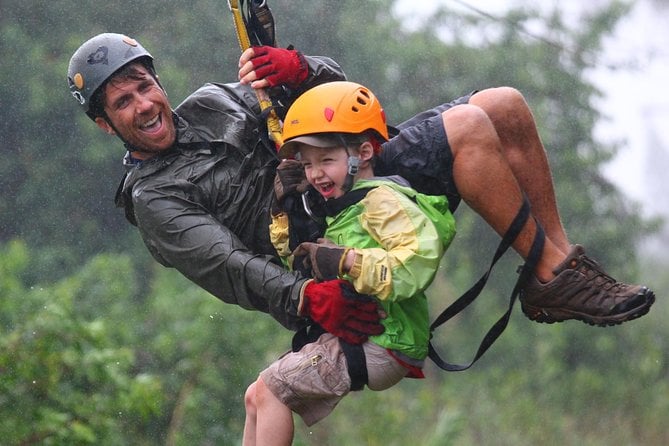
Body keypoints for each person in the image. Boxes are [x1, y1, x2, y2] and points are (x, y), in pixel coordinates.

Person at [67, 33, 654, 352]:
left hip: (346, 179)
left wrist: (299, 70)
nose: (144, 105)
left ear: (157, 81)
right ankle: (554, 275)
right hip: (317, 239)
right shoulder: (153, 198)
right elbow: (230, 266)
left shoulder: (212, 101)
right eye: (123, 102)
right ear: (104, 123)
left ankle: (556, 270)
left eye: (144, 86)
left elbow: (344, 100)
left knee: (503, 105)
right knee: (472, 127)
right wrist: (305, 301)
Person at [242, 81, 457, 445]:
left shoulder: (382, 202)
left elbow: (416, 263)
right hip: (366, 336)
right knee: (254, 396)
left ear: (365, 153)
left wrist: (348, 262)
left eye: (326, 160)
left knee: (270, 392)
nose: (315, 174)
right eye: (308, 164)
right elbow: (291, 263)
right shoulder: (343, 209)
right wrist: (282, 210)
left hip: (384, 340)